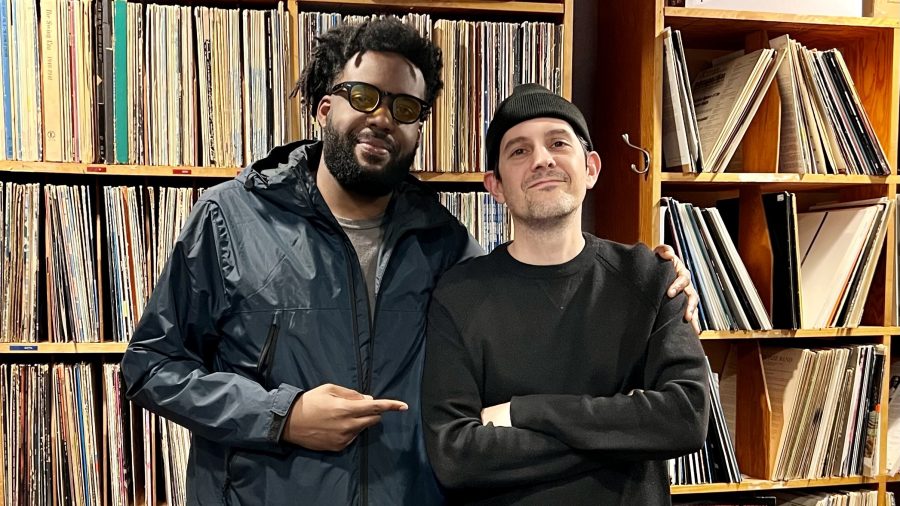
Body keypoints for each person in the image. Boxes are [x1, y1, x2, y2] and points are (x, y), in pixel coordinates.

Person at [121, 18, 698, 506]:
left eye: (404, 106)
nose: (381, 118)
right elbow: (150, 366)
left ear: (419, 127)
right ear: (325, 107)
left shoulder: (443, 242)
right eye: (363, 96)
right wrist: (282, 414)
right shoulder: (231, 216)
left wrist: (658, 283)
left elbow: (534, 291)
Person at [421, 84, 710, 505]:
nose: (541, 159)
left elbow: (685, 417)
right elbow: (455, 457)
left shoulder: (652, 277)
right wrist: (625, 434)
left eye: (558, 143)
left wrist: (523, 413)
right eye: (518, 151)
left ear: (591, 167)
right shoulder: (458, 295)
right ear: (496, 185)